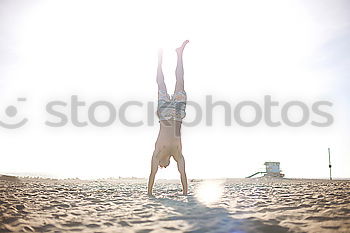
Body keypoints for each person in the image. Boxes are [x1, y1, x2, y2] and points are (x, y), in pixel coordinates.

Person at [147, 40, 189, 196]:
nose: (163, 167)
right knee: (180, 81)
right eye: (163, 166)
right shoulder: (177, 154)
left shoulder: (158, 152)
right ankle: (179, 54)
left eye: (161, 167)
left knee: (160, 83)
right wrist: (185, 193)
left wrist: (150, 193)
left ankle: (159, 58)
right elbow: (183, 174)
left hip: (165, 113)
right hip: (177, 114)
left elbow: (152, 174)